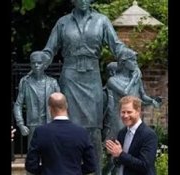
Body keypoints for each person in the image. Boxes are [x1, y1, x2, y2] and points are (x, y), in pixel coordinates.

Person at [41, 1, 141, 174]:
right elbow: (49, 50)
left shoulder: (101, 21)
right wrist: (42, 57)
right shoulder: (63, 22)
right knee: (68, 125)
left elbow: (116, 46)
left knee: (94, 127)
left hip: (92, 76)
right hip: (70, 76)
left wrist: (130, 58)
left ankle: (95, 171)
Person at [25, 92, 96, 175]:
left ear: (49, 108)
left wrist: (45, 171)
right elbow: (91, 165)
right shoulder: (81, 132)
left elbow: (31, 165)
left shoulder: (40, 132)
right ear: (67, 106)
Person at [104, 48, 159, 140]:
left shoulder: (136, 79)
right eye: (132, 60)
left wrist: (152, 101)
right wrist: (133, 80)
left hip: (135, 116)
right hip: (120, 117)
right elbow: (125, 93)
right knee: (119, 143)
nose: (135, 63)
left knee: (135, 143)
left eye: (135, 60)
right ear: (124, 62)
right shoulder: (113, 80)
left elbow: (142, 96)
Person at [13, 51, 60, 148]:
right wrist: (21, 124)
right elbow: (18, 105)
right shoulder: (26, 83)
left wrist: (59, 124)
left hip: (49, 124)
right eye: (33, 63)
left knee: (50, 155)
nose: (36, 65)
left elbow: (60, 105)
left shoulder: (53, 83)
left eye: (39, 63)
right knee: (32, 157)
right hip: (33, 125)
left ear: (45, 65)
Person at [105, 96, 158, 175]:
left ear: (138, 111)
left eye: (129, 112)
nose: (125, 116)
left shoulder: (149, 135)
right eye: (123, 112)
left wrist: (120, 154)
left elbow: (145, 166)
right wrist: (114, 154)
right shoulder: (122, 133)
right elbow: (119, 162)